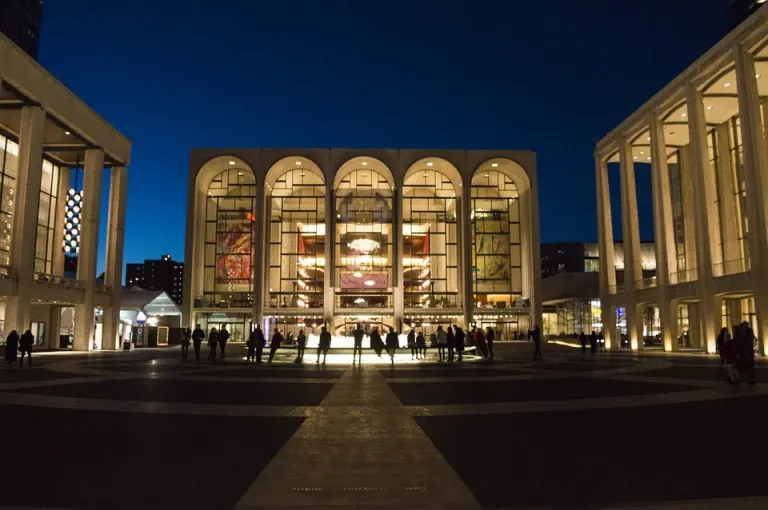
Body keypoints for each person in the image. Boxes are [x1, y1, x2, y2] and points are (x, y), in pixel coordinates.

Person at [738, 321, 756, 385]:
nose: (746, 326)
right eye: (745, 325)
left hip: (748, 349)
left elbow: (753, 338)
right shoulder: (741, 331)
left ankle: (750, 379)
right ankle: (748, 378)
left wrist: (753, 345)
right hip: (744, 350)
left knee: (749, 365)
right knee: (746, 365)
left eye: (747, 325)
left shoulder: (749, 330)